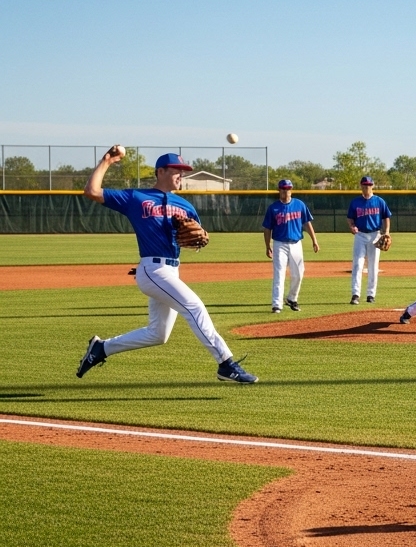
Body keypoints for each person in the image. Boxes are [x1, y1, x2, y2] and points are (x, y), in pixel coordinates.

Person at [74, 146, 257, 384]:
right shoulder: (136, 198)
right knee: (195, 307)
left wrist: (200, 237)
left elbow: (196, 239)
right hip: (153, 269)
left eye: (183, 171)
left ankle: (101, 348)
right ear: (160, 172)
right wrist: (107, 161)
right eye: (176, 170)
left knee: (158, 334)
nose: (181, 175)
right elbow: (92, 191)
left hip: (172, 270)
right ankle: (226, 363)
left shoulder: (185, 206)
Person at [262, 179, 319, 313]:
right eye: (283, 188)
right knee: (279, 274)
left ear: (291, 190)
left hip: (296, 244)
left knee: (298, 274)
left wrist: (314, 240)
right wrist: (267, 245)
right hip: (279, 244)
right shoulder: (273, 208)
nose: (285, 191)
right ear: (279, 190)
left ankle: (292, 298)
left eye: (287, 188)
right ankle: (277, 304)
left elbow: (307, 223)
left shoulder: (299, 205)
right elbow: (267, 229)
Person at [346, 176, 392, 305]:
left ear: (372, 186)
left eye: (369, 185)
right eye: (365, 185)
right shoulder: (355, 202)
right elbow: (350, 218)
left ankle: (371, 294)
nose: (367, 187)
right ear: (361, 186)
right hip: (360, 235)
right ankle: (355, 294)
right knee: (357, 264)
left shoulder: (379, 201)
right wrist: (352, 226)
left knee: (373, 266)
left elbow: (386, 217)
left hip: (375, 235)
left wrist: (387, 232)